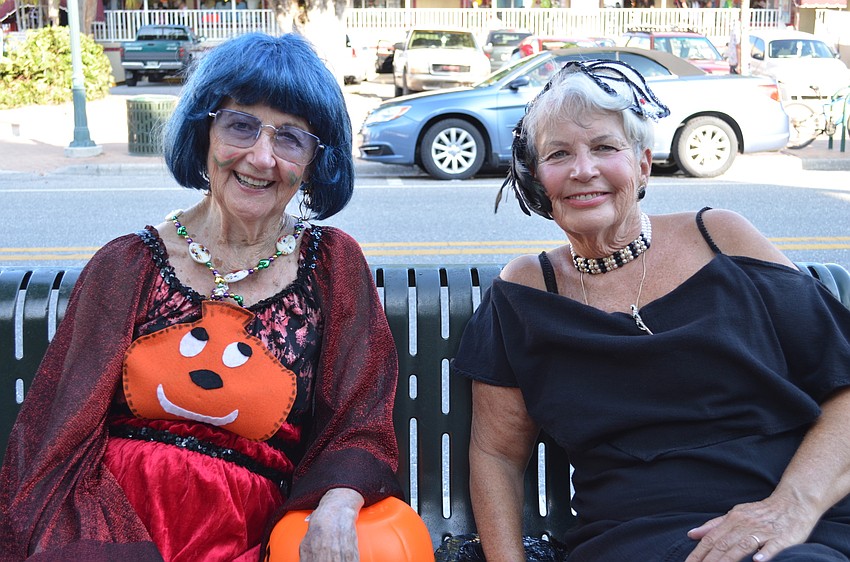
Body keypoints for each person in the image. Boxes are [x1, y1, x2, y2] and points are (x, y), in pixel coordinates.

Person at [0, 32, 402, 562]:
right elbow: (58, 436)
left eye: (290, 139)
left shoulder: (332, 265)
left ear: (314, 162)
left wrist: (338, 501)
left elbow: (362, 418)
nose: (261, 158)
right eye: (241, 125)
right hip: (111, 527)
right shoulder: (127, 264)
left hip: (251, 535)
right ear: (204, 132)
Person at [452, 59, 850, 562]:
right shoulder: (527, 291)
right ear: (539, 180)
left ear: (642, 164)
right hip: (637, 534)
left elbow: (845, 388)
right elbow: (496, 457)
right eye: (559, 154)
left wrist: (790, 508)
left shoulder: (721, 238)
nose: (583, 169)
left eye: (604, 147)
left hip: (793, 520)